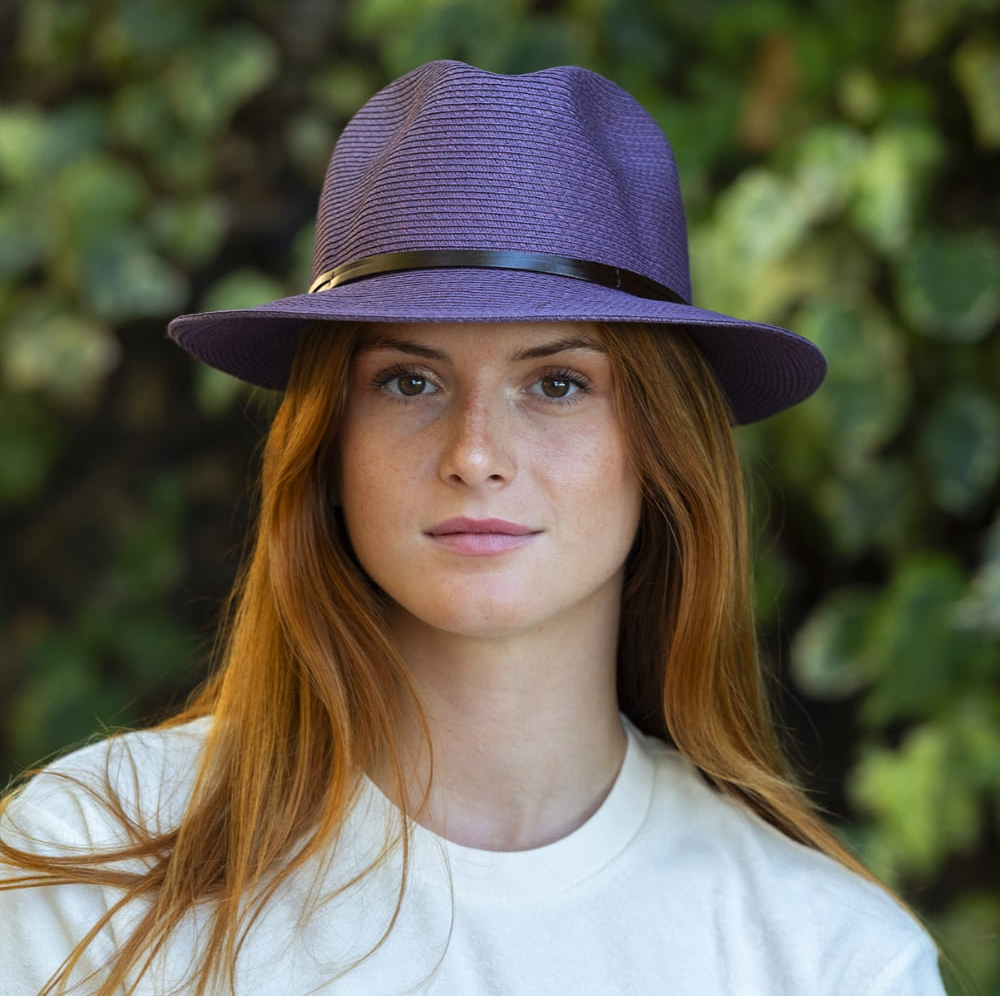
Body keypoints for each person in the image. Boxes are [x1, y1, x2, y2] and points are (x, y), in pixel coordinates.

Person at [0, 60, 945, 996]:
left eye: (558, 383)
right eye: (409, 381)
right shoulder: (92, 866)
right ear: (328, 442)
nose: (476, 453)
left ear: (662, 448)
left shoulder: (825, 957)